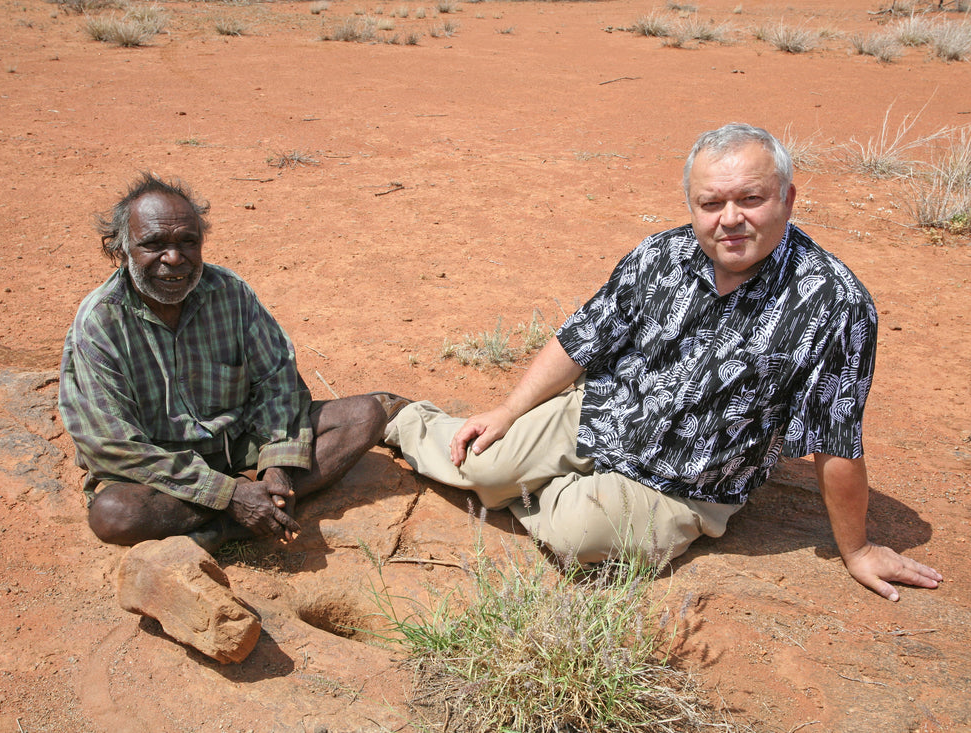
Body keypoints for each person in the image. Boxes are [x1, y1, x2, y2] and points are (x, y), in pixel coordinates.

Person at [385, 123, 942, 602]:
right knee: (481, 461)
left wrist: (858, 547)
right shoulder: (662, 255)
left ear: (788, 199)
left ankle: (536, 492)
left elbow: (835, 439)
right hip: (604, 410)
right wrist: (510, 410)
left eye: (751, 199)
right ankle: (399, 419)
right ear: (692, 205)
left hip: (687, 480)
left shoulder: (833, 302)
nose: (730, 219)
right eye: (710, 203)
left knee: (581, 538)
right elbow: (583, 339)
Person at [59, 173, 402, 552]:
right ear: (121, 250)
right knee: (113, 514)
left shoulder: (229, 292)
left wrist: (278, 463)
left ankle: (228, 523)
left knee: (365, 415)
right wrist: (226, 493)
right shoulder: (99, 323)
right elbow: (111, 446)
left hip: (239, 445)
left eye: (187, 242)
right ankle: (241, 512)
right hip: (164, 473)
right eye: (153, 244)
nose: (173, 258)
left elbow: (278, 381)